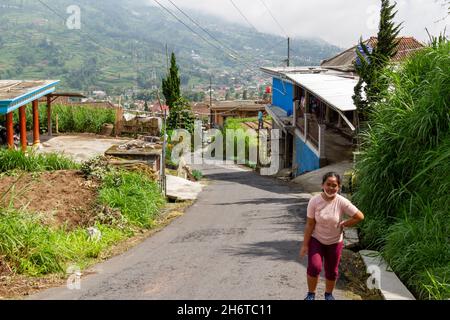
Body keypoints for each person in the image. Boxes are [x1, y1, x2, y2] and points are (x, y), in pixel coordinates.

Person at [299, 172, 364, 300]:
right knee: (314, 266)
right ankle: (311, 294)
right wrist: (305, 244)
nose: (331, 188)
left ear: (338, 187)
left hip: (335, 242)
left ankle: (328, 295)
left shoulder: (342, 202)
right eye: (328, 184)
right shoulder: (314, 201)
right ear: (322, 185)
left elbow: (359, 216)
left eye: (334, 185)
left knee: (332, 270)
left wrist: (345, 223)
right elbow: (310, 224)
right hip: (317, 239)